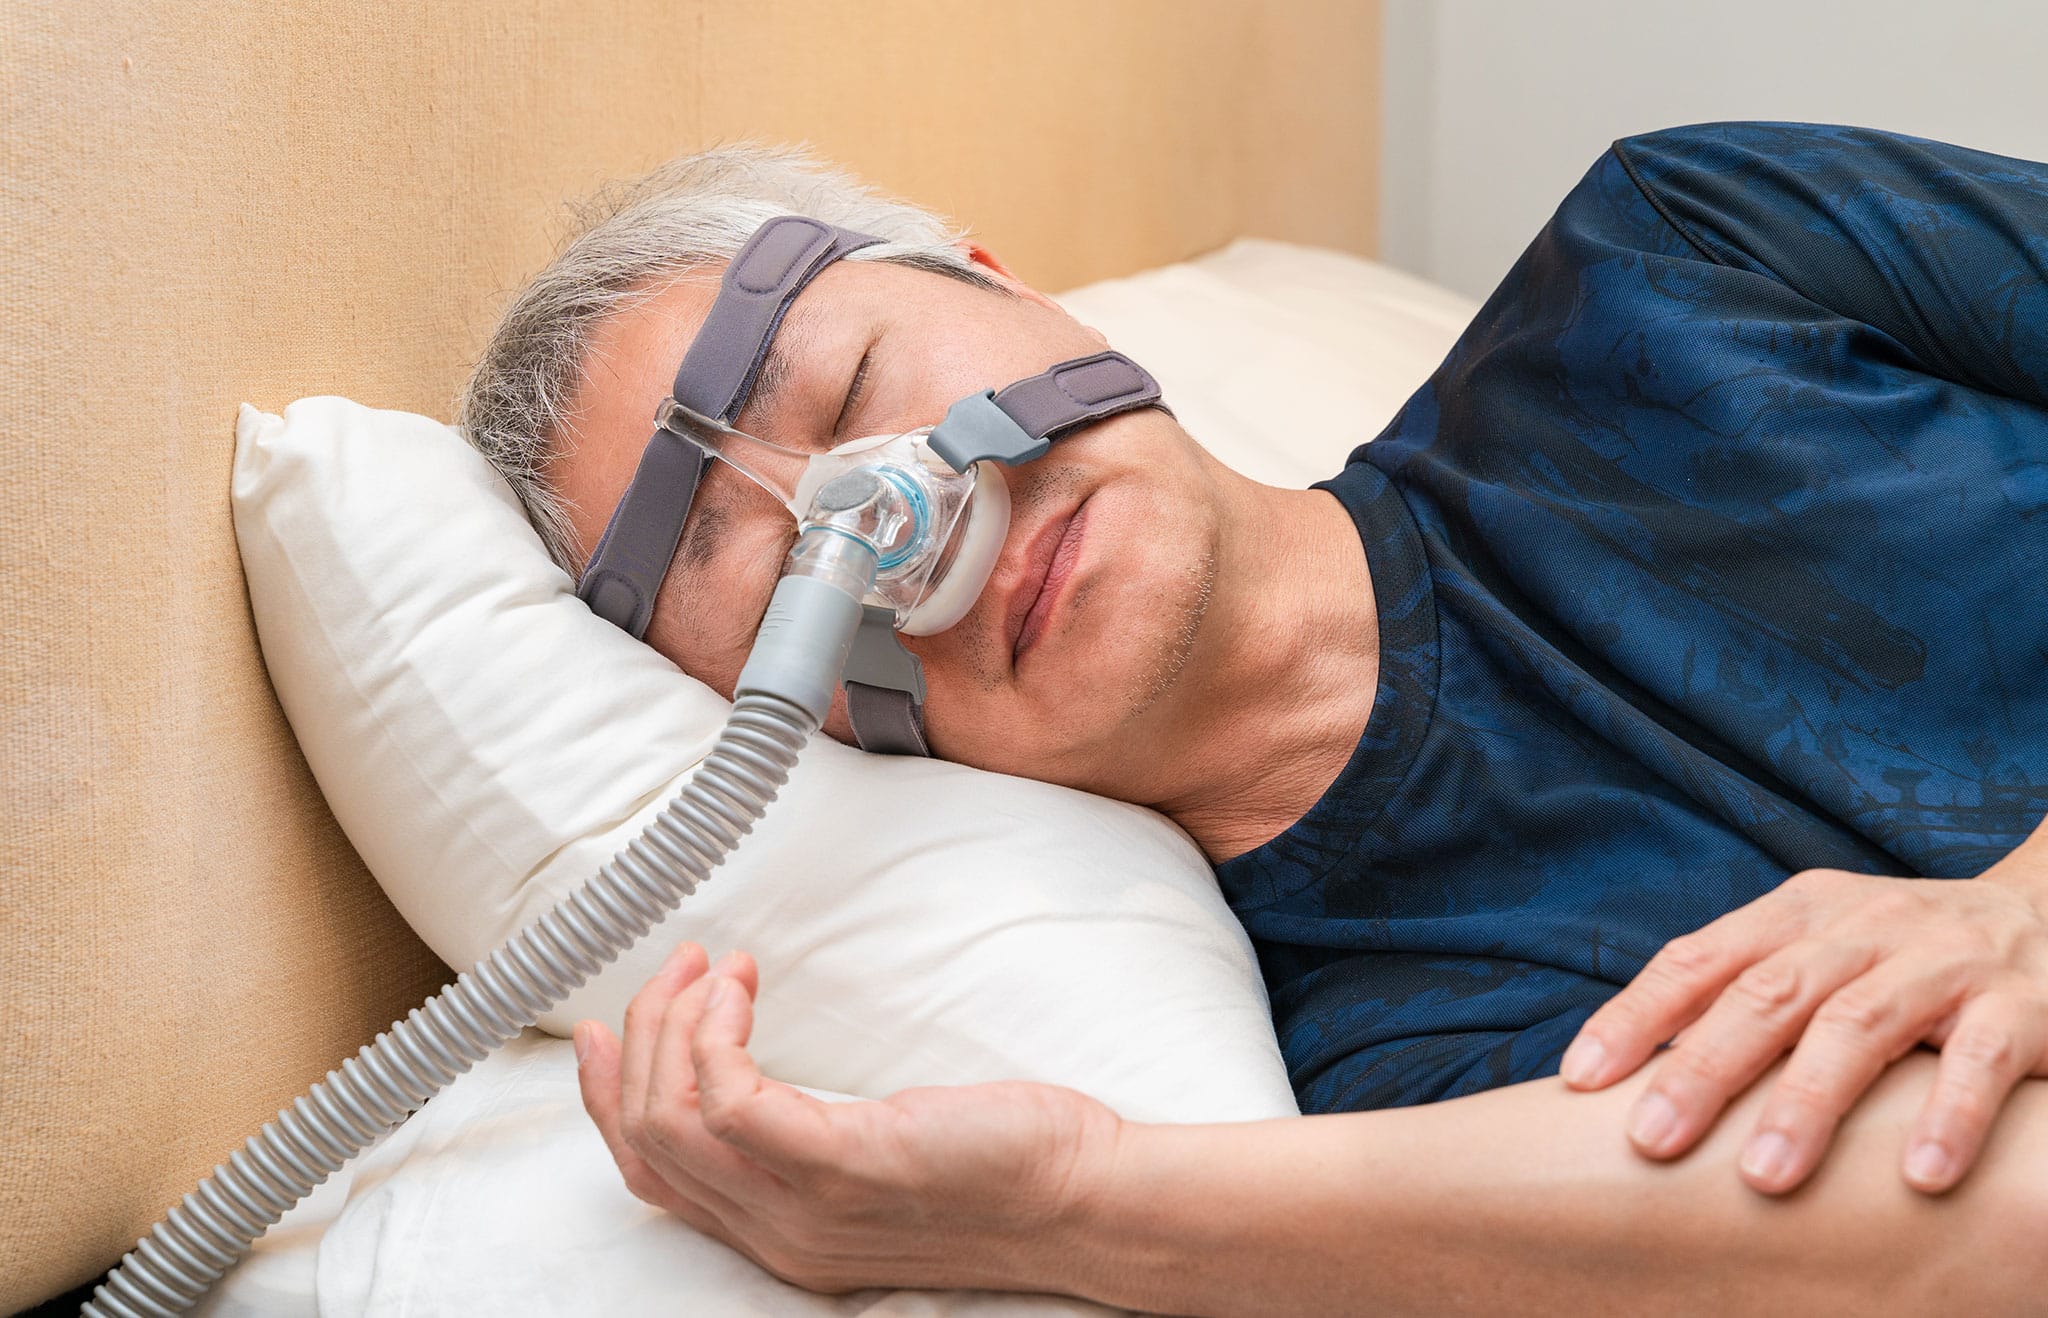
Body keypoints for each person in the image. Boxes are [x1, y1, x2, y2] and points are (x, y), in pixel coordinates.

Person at [458, 122, 2048, 1311]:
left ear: (1002, 288)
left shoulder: (1678, 264)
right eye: (785, 580)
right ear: (798, 727)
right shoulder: (1380, 1067)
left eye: (859, 383)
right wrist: (1066, 1198)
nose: (905, 518)